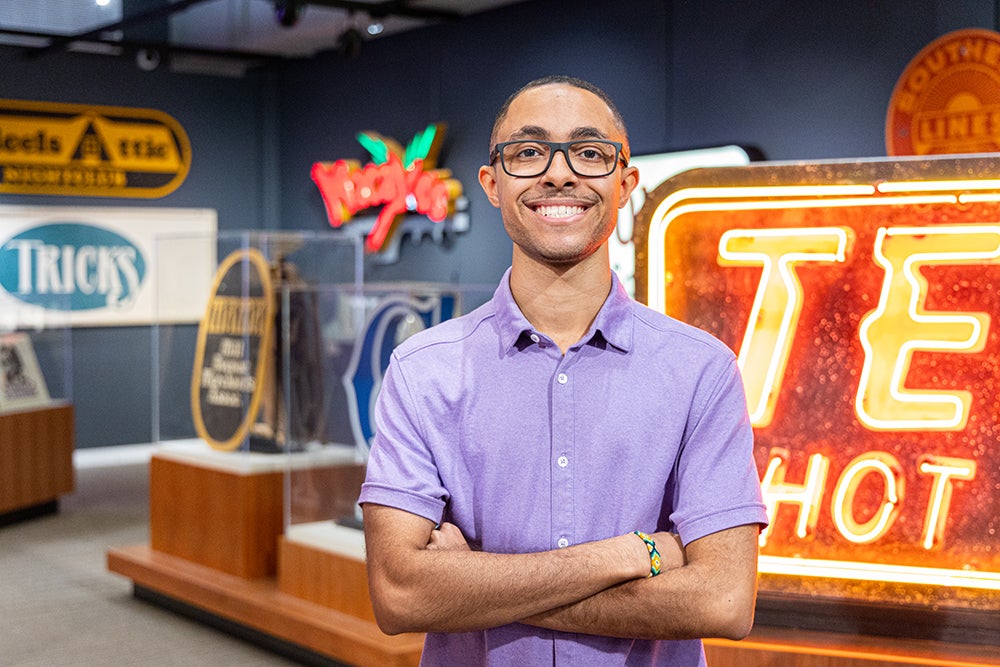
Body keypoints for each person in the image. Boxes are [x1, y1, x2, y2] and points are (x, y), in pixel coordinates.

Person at [358, 75, 768, 666]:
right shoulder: (423, 372)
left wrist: (469, 584)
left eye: (589, 152)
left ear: (626, 183)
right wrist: (632, 555)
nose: (558, 173)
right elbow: (399, 595)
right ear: (492, 184)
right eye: (528, 152)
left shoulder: (700, 371)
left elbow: (724, 600)